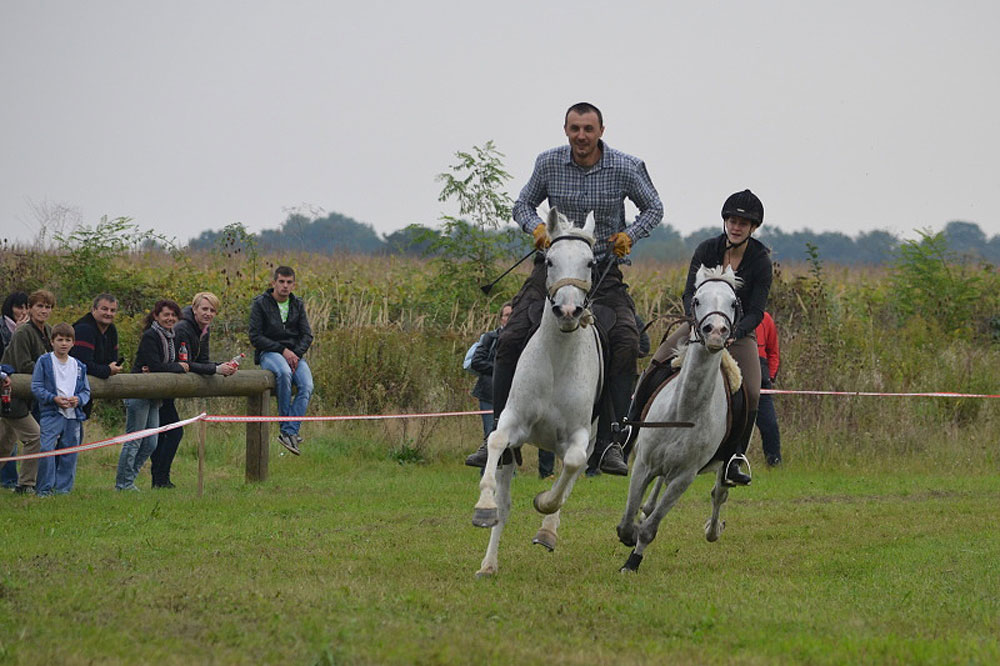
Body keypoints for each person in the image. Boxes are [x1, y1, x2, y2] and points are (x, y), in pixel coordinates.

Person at [464, 101, 664, 475]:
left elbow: (654, 208)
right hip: (552, 269)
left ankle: (608, 443)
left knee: (625, 339)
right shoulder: (548, 163)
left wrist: (629, 235)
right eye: (574, 129)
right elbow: (522, 204)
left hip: (601, 270)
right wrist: (537, 228)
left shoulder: (626, 166)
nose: (581, 136)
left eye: (588, 129)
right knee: (511, 337)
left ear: (601, 131)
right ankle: (498, 437)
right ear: (566, 130)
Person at [630, 189, 772, 486]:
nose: (736, 227)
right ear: (725, 222)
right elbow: (688, 293)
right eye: (732, 221)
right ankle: (628, 433)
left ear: (753, 228)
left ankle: (734, 458)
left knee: (752, 391)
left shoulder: (760, 260)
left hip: (739, 331)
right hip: (699, 324)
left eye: (743, 224)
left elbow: (757, 310)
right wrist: (696, 323)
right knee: (656, 363)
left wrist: (736, 332)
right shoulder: (707, 249)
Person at [150, 292, 238, 488]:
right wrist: (216, 369)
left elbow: (202, 361)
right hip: (162, 383)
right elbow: (186, 362)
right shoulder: (182, 328)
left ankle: (161, 480)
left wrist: (222, 366)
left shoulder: (203, 329)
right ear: (194, 309)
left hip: (171, 386)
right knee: (171, 433)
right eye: (204, 309)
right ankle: (159, 479)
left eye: (212, 310)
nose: (208, 313)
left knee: (168, 432)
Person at [115, 300, 189, 492]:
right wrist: (178, 367)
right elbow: (155, 365)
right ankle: (123, 484)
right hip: (139, 391)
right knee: (135, 440)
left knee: (150, 443)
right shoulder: (150, 336)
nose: (170, 318)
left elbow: (161, 366)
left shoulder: (173, 337)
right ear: (156, 316)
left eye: (173, 315)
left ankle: (130, 479)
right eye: (166, 314)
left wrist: (171, 368)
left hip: (156, 395)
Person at [249, 266, 314, 456]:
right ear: (274, 283)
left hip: (294, 354)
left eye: (289, 282)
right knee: (284, 373)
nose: (285, 286)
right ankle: (286, 427)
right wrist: (282, 350)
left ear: (294, 284)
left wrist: (295, 353)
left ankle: (289, 431)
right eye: (281, 282)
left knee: (307, 385)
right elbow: (255, 337)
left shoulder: (297, 305)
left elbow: (307, 335)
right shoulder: (261, 304)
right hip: (270, 353)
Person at [0, 289, 55, 494]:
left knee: (4, 445)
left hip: (27, 397)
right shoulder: (24, 332)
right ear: (30, 309)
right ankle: (26, 484)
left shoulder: (48, 331)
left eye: (47, 307)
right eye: (39, 306)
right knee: (34, 436)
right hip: (10, 394)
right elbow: (24, 365)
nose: (44, 310)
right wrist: (52, 373)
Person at [31, 323, 90, 495]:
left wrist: (78, 400)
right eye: (60, 340)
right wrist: (53, 398)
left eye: (67, 340)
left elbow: (86, 391)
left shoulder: (79, 366)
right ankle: (44, 488)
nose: (63, 343)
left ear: (73, 343)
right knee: (47, 450)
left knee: (69, 452)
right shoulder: (44, 361)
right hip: (51, 413)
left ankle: (63, 489)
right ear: (52, 342)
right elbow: (36, 386)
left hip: (73, 415)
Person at [70, 293, 123, 423]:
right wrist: (107, 370)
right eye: (104, 309)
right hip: (71, 390)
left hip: (88, 389)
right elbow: (82, 365)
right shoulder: (84, 329)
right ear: (94, 309)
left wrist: (109, 368)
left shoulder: (111, 330)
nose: (108, 313)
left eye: (112, 310)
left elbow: (112, 360)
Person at [0, 291, 29, 488]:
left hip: (19, 386)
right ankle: (8, 479)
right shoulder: (3, 328)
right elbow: (6, 355)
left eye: (26, 307)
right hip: (3, 381)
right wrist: (17, 332)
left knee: (10, 435)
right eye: (19, 307)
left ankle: (9, 479)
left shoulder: (30, 329)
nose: (23, 311)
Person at [755, 310, 782, 467]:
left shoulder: (766, 319)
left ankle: (774, 463)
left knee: (770, 425)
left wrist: (770, 376)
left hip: (762, 382)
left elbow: (773, 352)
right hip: (736, 379)